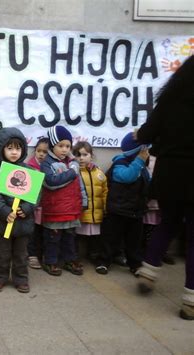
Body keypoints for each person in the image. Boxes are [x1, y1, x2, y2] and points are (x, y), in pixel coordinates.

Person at [135, 55, 194, 320]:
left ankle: (148, 270)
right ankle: (190, 299)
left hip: (169, 175)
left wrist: (140, 134)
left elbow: (147, 134)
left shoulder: (169, 101)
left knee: (167, 222)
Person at [0, 127, 35, 293]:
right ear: (1, 148)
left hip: (22, 223)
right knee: (0, 253)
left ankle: (21, 279)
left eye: (18, 148)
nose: (14, 152)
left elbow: (35, 194)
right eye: (10, 148)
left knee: (21, 254)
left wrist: (26, 208)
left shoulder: (29, 171)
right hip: (1, 222)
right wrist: (4, 211)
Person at [96, 133, 149, 275]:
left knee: (134, 241)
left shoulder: (143, 167)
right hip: (117, 210)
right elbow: (127, 177)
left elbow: (146, 183)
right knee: (110, 238)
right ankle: (104, 261)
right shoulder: (119, 164)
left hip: (135, 211)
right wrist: (139, 161)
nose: (147, 154)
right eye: (145, 151)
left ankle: (135, 264)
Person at [40, 126, 86, 276]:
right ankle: (50, 261)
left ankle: (70, 260)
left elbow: (80, 185)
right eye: (61, 146)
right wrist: (71, 172)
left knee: (70, 237)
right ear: (53, 145)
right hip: (54, 210)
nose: (65, 149)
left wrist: (83, 201)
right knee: (53, 237)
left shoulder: (72, 162)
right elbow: (50, 182)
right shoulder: (47, 163)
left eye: (68, 146)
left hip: (72, 210)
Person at [72, 141, 108, 264]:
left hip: (96, 213)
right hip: (81, 214)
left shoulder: (99, 173)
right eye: (78, 155)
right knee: (77, 236)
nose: (81, 158)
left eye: (84, 154)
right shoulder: (74, 172)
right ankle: (74, 256)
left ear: (91, 155)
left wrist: (105, 208)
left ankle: (94, 254)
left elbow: (105, 192)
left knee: (95, 237)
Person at [26, 137, 49, 269]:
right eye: (38, 150)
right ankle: (32, 255)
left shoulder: (52, 167)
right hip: (34, 207)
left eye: (44, 152)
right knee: (33, 232)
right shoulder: (30, 167)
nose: (41, 154)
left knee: (45, 232)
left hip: (48, 206)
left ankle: (43, 255)